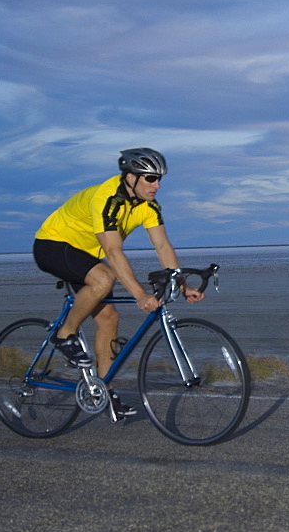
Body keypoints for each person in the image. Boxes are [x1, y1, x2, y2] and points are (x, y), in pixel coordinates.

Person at [32, 147, 203, 421]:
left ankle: (103, 392)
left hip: (86, 254)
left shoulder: (149, 207)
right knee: (104, 277)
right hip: (54, 244)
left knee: (109, 317)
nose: (156, 185)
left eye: (159, 179)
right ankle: (64, 335)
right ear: (130, 177)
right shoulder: (107, 198)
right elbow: (113, 252)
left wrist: (182, 285)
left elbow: (162, 246)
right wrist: (139, 295)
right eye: (150, 178)